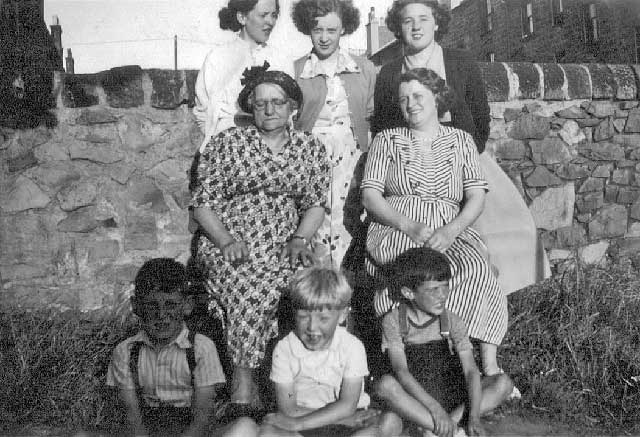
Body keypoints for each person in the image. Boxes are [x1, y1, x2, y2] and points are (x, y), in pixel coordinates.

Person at [371, 0, 549, 302]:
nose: (416, 27)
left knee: (501, 229)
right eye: (407, 21)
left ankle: (490, 299)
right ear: (398, 28)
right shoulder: (388, 73)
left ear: (437, 23)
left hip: (461, 156)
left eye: (424, 19)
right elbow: (383, 126)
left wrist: (462, 156)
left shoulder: (460, 61)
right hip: (411, 166)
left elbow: (479, 117)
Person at [190, 66, 331, 416]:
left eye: (278, 102)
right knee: (248, 286)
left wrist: (300, 240)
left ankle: (310, 390)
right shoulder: (228, 143)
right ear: (250, 107)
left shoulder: (310, 148)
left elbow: (315, 203)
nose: (269, 110)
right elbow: (202, 204)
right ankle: (243, 392)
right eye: (261, 103)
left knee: (316, 285)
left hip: (286, 241)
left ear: (292, 107)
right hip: (231, 241)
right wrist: (224, 240)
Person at [362, 68, 507, 378]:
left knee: (476, 269)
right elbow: (371, 197)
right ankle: (412, 360)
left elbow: (476, 197)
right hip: (397, 226)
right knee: (412, 277)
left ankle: (485, 366)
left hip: (450, 225)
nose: (410, 104)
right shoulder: (387, 139)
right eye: (404, 100)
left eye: (418, 96)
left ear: (437, 98)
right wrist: (409, 226)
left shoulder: (461, 139)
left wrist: (452, 231)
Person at [106, 258, 255, 437]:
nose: (161, 315)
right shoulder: (126, 351)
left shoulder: (201, 348)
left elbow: (203, 416)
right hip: (148, 432)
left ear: (187, 305)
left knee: (245, 427)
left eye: (171, 305)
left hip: (191, 431)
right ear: (136, 306)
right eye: (152, 306)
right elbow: (132, 417)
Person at [375, 248, 513, 437]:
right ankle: (448, 430)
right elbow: (402, 372)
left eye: (445, 286)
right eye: (433, 290)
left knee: (503, 383)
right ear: (408, 293)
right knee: (385, 386)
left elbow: (471, 371)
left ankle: (442, 427)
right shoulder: (393, 321)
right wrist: (435, 410)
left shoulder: (451, 321)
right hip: (417, 402)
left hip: (451, 399)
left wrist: (473, 416)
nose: (443, 295)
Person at [259, 267, 403, 437]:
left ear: (342, 315)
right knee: (267, 432)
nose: (312, 327)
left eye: (324, 319)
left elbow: (348, 404)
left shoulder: (352, 346)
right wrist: (340, 419)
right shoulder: (284, 349)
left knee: (391, 422)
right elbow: (288, 410)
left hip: (348, 420)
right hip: (307, 423)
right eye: (303, 316)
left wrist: (343, 420)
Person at [291, 0, 376, 271]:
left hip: (352, 156)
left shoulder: (364, 68)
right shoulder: (296, 70)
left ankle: (345, 288)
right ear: (308, 29)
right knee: (315, 218)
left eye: (332, 30)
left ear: (344, 29)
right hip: (310, 155)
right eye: (318, 30)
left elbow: (372, 116)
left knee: (347, 219)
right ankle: (318, 288)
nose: (324, 37)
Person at [194, 0, 294, 151]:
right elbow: (202, 112)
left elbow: (291, 111)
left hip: (272, 151)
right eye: (263, 15)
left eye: (274, 15)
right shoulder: (217, 58)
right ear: (242, 17)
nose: (270, 21)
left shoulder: (282, 61)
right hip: (227, 150)